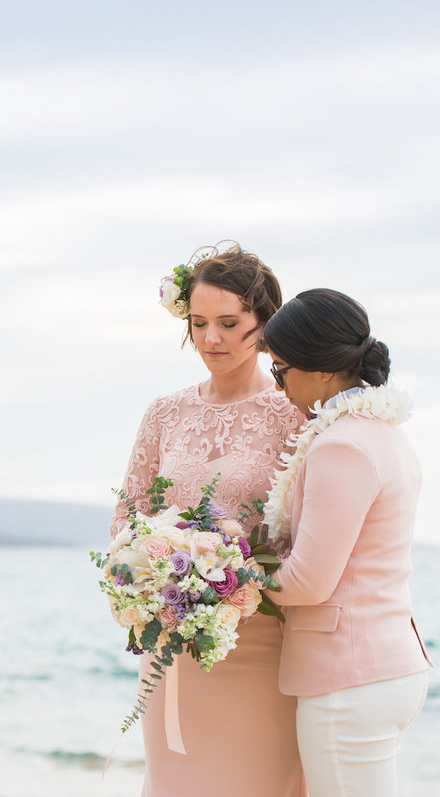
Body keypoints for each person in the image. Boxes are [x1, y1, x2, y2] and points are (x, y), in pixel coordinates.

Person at [111, 242, 306, 797]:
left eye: (228, 322)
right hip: (171, 640)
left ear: (264, 324)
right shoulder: (165, 412)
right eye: (198, 323)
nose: (211, 339)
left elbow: (302, 532)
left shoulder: (292, 413)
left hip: (260, 639)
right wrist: (151, 577)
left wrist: (236, 580)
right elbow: (128, 517)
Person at [260, 288, 432, 797]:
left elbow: (307, 582)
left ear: (322, 369)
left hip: (349, 677)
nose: (278, 384)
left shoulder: (341, 444)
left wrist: (227, 573)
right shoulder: (383, 432)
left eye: (280, 369)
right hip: (384, 664)